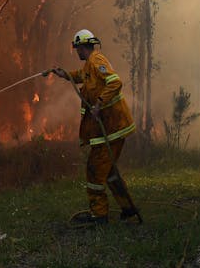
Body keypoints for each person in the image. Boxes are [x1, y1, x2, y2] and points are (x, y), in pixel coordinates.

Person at [45, 28, 139, 226]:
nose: (76, 52)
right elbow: (81, 76)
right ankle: (128, 209)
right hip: (109, 130)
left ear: (82, 46)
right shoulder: (89, 65)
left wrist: (98, 104)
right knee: (110, 172)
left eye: (76, 48)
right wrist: (63, 74)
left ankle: (99, 215)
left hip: (112, 129)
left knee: (94, 171)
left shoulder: (97, 60)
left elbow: (115, 82)